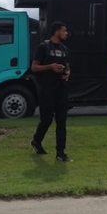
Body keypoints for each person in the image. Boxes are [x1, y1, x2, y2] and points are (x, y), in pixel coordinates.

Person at [30, 21, 73, 162]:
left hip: (61, 89)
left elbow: (67, 66)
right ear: (57, 32)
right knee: (46, 120)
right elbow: (34, 67)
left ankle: (60, 152)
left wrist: (67, 73)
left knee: (62, 121)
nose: (66, 33)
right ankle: (36, 140)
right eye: (64, 30)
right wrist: (50, 67)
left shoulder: (64, 49)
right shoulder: (44, 47)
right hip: (47, 89)